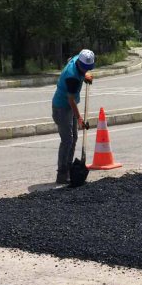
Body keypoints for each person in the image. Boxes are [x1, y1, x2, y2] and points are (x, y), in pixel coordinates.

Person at [52, 49, 95, 184]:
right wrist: (80, 119)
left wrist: (85, 74)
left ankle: (70, 170)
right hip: (62, 108)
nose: (85, 70)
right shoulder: (72, 77)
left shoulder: (78, 58)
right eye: (84, 69)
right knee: (67, 141)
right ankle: (62, 175)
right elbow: (70, 100)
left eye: (88, 68)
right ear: (79, 64)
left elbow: (70, 59)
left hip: (70, 106)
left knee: (74, 138)